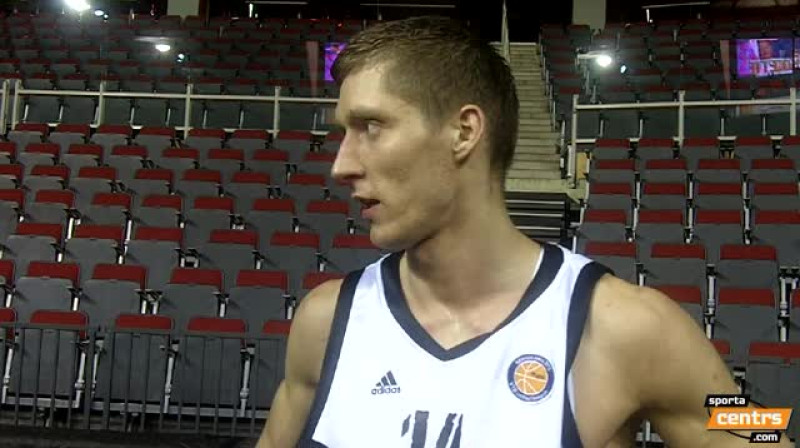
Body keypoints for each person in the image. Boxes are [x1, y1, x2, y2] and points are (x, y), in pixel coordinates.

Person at [257, 16, 792, 447]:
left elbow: (757, 429)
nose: (341, 165)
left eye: (371, 127)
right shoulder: (325, 321)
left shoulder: (629, 326)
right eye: (343, 133)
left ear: (464, 131)